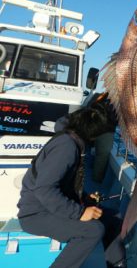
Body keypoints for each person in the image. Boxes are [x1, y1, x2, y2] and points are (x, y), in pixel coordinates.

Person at [17, 107, 111, 268]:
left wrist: (85, 200)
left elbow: (61, 185)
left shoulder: (70, 140)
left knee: (109, 217)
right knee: (93, 230)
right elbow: (44, 190)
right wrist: (80, 212)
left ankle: (115, 262)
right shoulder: (66, 147)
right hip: (35, 214)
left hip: (48, 209)